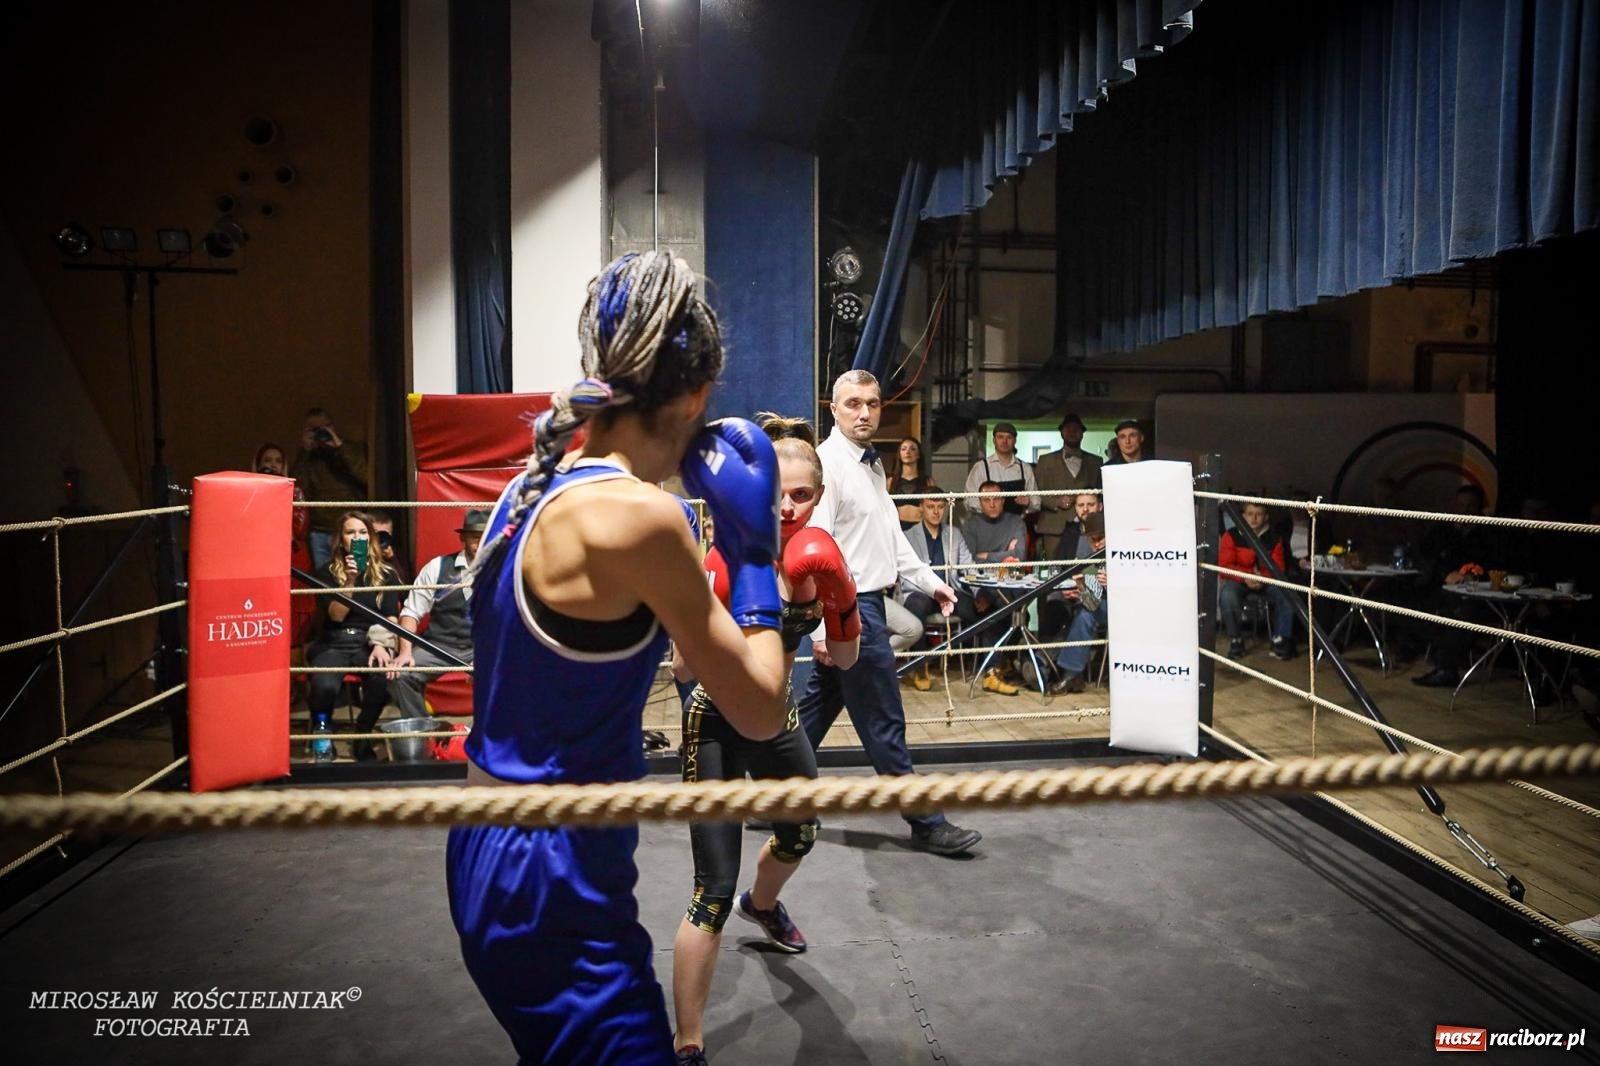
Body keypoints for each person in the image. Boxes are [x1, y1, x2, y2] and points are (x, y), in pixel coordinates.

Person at [445, 250, 789, 1066]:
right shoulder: (637, 518)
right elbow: (761, 707)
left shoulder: (532, 483)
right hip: (549, 864)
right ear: (700, 396)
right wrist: (753, 553)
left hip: (498, 839)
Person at [669, 413, 861, 1066]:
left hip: (777, 722)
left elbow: (846, 658)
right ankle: (688, 1041)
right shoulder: (724, 557)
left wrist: (841, 600)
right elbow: (681, 672)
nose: (786, 505)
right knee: (709, 891)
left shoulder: (819, 556)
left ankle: (766, 904)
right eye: (775, 490)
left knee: (801, 832)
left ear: (818, 496)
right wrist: (708, 599)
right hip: (713, 722)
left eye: (801, 495)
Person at [799, 369, 982, 856]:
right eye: (854, 403)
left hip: (867, 603)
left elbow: (889, 539)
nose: (864, 412)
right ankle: (927, 822)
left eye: (873, 403)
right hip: (848, 608)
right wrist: (820, 627)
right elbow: (813, 549)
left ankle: (768, 798)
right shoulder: (827, 465)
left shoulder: (871, 465)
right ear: (833, 410)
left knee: (814, 714)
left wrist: (932, 581)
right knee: (884, 719)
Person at [305, 510, 401, 761]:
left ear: (370, 538)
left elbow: (391, 617)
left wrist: (384, 646)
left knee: (381, 682)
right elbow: (336, 616)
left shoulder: (387, 574)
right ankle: (323, 733)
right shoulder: (325, 572)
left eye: (362, 532)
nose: (357, 538)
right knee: (323, 686)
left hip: (368, 641)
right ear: (340, 539)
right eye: (350, 532)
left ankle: (363, 736)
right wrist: (350, 580)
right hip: (333, 642)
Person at [898, 490, 1012, 693]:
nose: (936, 512)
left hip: (949, 591)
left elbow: (968, 566)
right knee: (918, 605)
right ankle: (919, 665)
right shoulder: (908, 536)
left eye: (940, 507)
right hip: (920, 591)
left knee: (987, 608)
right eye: (930, 506)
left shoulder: (954, 533)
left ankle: (990, 670)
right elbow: (905, 573)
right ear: (921, 508)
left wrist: (979, 593)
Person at [387, 509, 484, 720]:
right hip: (439, 646)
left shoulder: (501, 568)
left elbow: (508, 620)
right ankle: (422, 735)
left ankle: (491, 738)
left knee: (510, 673)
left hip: (480, 647)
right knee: (402, 675)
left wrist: (490, 654)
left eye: (486, 537)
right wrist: (404, 652)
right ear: (462, 538)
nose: (480, 544)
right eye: (475, 538)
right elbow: (410, 613)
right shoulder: (437, 567)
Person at [291, 407, 370, 571]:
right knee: (324, 582)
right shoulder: (307, 458)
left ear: (333, 427)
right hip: (319, 531)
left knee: (358, 574)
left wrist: (339, 448)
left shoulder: (351, 450)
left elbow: (366, 476)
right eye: (314, 430)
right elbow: (297, 489)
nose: (321, 433)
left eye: (325, 427)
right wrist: (305, 451)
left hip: (351, 528)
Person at [255, 442, 317, 646]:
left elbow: (299, 529)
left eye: (277, 461)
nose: (272, 465)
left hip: (292, 556)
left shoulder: (294, 491)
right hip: (262, 558)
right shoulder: (249, 491)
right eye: (267, 461)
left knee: (296, 614)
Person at [1218, 502, 1297, 660]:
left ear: (1266, 517)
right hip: (1240, 580)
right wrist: (1248, 576)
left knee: (1288, 593)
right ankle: (1236, 639)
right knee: (1227, 595)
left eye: (1259, 514)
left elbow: (1278, 568)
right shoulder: (1231, 535)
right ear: (1243, 516)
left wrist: (1262, 578)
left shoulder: (1275, 537)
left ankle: (1280, 640)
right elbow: (1225, 565)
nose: (1254, 518)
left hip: (1265, 580)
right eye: (1250, 514)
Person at [1049, 512, 1109, 695]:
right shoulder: (1090, 556)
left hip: (1129, 606)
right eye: (1093, 539)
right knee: (1079, 612)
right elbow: (1092, 599)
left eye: (1101, 538)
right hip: (1098, 606)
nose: (1097, 543)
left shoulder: (1126, 554)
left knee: (1083, 614)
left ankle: (1061, 670)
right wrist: (1079, 589)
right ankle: (1066, 672)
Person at [1033, 414, 1102, 559]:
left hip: (1088, 525)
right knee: (1055, 571)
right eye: (1068, 429)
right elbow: (1035, 492)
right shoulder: (1045, 460)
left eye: (1076, 429)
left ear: (1082, 433)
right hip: (1054, 526)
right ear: (1061, 432)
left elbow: (1100, 493)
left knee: (1091, 567)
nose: (1072, 432)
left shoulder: (1096, 461)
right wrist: (1056, 502)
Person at [963, 421, 1039, 517]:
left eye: (1009, 437)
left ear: (1015, 441)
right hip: (987, 525)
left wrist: (1029, 502)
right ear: (994, 440)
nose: (1004, 441)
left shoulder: (1025, 469)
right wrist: (988, 507)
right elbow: (968, 500)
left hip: (1016, 525)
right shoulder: (980, 468)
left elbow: (1037, 501)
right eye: (1000, 437)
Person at [887, 436, 932, 529]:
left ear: (918, 454)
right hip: (896, 527)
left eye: (912, 449)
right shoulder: (890, 481)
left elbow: (935, 505)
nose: (908, 452)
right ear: (899, 454)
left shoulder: (927, 481)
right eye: (903, 449)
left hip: (920, 527)